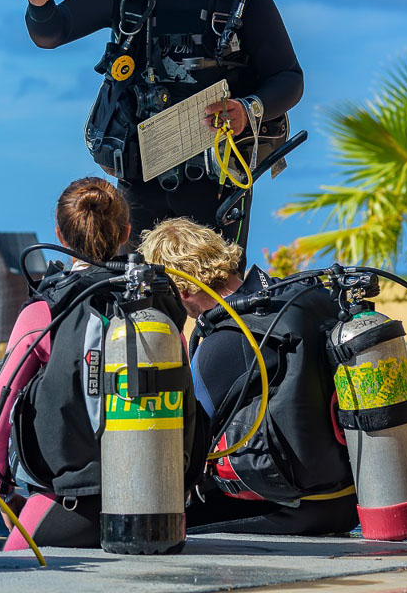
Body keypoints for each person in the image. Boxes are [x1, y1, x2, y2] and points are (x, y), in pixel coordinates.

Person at [24, 0, 304, 251]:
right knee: (141, 300)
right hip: (141, 181)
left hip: (219, 181)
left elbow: (288, 78)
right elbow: (52, 32)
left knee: (215, 300)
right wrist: (41, 4)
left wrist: (247, 108)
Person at [0, 177, 194, 549]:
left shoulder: (46, 310)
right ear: (127, 232)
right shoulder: (159, 306)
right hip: (159, 506)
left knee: (7, 569)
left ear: (60, 237)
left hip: (68, 504)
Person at [139, 217, 358, 535]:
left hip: (296, 508)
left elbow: (187, 447)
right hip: (350, 498)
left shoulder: (220, 344)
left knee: (157, 526)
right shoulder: (291, 301)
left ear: (181, 290)